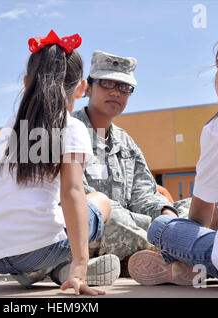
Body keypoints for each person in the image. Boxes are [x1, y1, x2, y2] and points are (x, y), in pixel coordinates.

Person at [128, 22, 218, 289]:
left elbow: (199, 215)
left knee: (162, 226)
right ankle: (194, 268)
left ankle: (188, 267)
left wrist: (191, 245)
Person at [0, 30, 120, 296]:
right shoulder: (71, 127)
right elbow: (72, 192)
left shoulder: (9, 128)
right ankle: (64, 267)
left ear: (27, 82)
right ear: (82, 89)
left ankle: (39, 271)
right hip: (38, 250)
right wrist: (80, 263)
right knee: (100, 200)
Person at [72, 51, 189, 275]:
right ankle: (177, 252)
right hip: (94, 229)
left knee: (189, 207)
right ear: (87, 88)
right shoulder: (69, 131)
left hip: (133, 229)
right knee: (113, 217)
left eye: (125, 87)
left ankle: (154, 257)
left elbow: (144, 194)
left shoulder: (127, 143)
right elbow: (80, 200)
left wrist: (164, 212)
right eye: (107, 83)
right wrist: (157, 226)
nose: (116, 92)